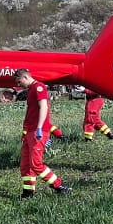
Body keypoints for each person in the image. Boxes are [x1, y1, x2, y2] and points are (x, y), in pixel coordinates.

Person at [13, 68, 70, 198]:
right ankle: (28, 192)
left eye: (19, 81)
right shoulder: (31, 90)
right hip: (29, 132)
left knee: (36, 164)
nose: (19, 85)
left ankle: (59, 185)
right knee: (25, 165)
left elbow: (43, 106)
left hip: (36, 131)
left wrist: (40, 128)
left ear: (25, 77)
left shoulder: (39, 87)